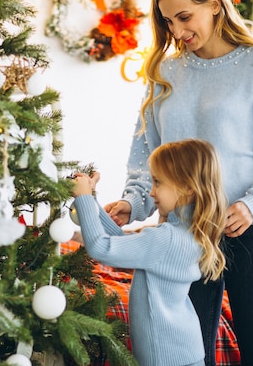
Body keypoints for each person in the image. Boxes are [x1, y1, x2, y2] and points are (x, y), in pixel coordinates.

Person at [104, 0, 253, 366]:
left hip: (248, 232)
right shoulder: (164, 71)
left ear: (215, 4)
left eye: (184, 17)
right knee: (190, 359)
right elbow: (147, 158)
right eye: (168, 22)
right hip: (182, 238)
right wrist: (133, 201)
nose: (177, 32)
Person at [72, 139, 228, 366]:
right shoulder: (183, 232)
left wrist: (83, 198)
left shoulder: (166, 238)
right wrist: (92, 198)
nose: (152, 192)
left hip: (165, 358)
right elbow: (119, 242)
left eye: (158, 182)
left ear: (187, 187)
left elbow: (101, 247)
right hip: (181, 354)